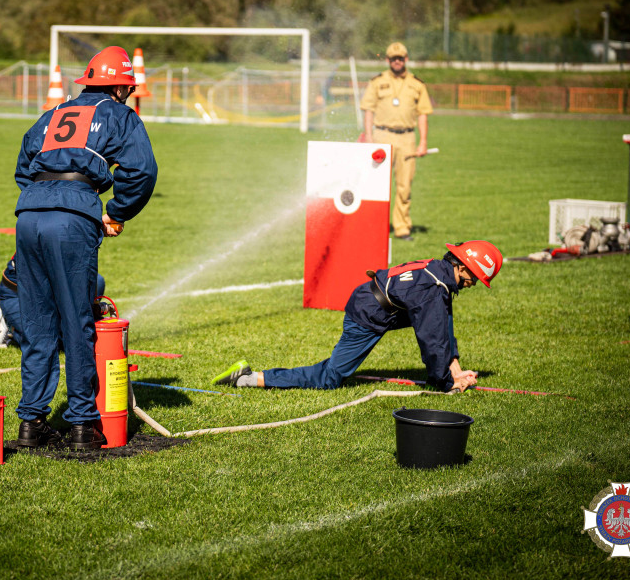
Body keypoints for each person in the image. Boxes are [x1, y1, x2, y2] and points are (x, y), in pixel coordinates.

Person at [13, 46, 158, 450]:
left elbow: (24, 165)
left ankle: (31, 423)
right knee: (77, 322)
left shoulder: (53, 113)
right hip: (71, 218)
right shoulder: (119, 115)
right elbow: (142, 171)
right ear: (119, 87)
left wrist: (43, 198)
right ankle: (81, 425)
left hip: (29, 216)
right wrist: (115, 211)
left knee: (37, 322)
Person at [212, 241, 502, 394]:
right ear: (462, 266)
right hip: (368, 312)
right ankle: (249, 378)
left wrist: (455, 368)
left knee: (441, 321)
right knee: (330, 378)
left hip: (379, 302)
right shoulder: (432, 288)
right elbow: (432, 341)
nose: (473, 284)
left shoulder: (440, 274)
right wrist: (446, 383)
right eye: (475, 278)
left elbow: (442, 326)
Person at [360, 42, 433, 241]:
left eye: (400, 58)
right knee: (376, 185)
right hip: (382, 136)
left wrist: (423, 142)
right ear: (388, 60)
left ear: (406, 59)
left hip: (407, 138)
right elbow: (368, 110)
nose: (397, 61)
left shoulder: (417, 84)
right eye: (393, 58)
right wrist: (368, 137)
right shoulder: (377, 82)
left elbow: (423, 114)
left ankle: (402, 228)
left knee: (404, 186)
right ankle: (373, 225)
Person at [0, 253, 105, 351]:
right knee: (46, 345)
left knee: (97, 281)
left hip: (50, 293)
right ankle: (11, 326)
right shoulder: (44, 236)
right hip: (20, 296)